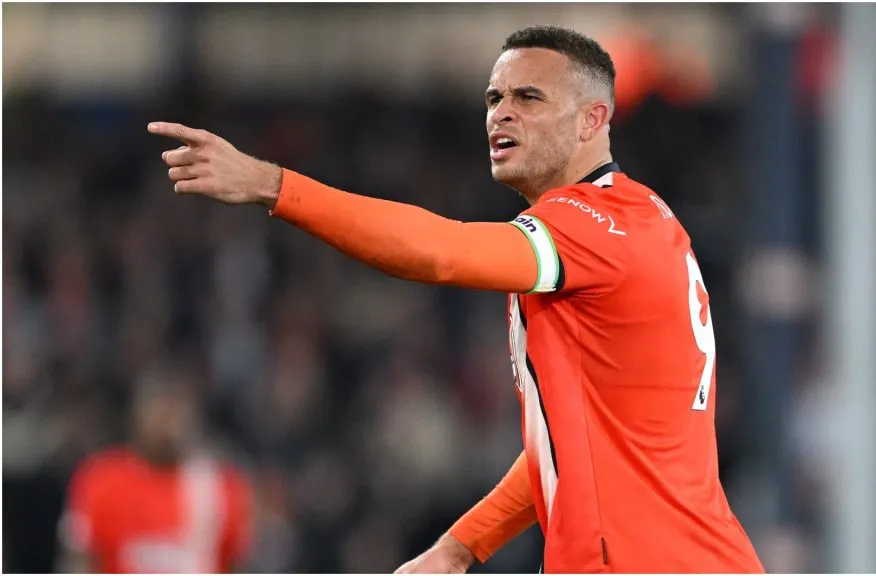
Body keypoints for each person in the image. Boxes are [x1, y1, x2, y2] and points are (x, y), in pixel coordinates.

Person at [148, 25, 763, 574]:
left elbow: (440, 252)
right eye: (494, 98)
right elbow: (571, 448)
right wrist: (461, 546)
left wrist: (272, 184)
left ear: (591, 120)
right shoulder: (631, 220)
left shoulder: (593, 225)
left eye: (529, 97)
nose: (501, 114)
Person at [58, 366, 252, 573]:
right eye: (161, 410)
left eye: (178, 411)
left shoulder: (219, 486)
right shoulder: (100, 480)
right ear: (138, 415)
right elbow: (78, 560)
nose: (170, 423)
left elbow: (235, 564)